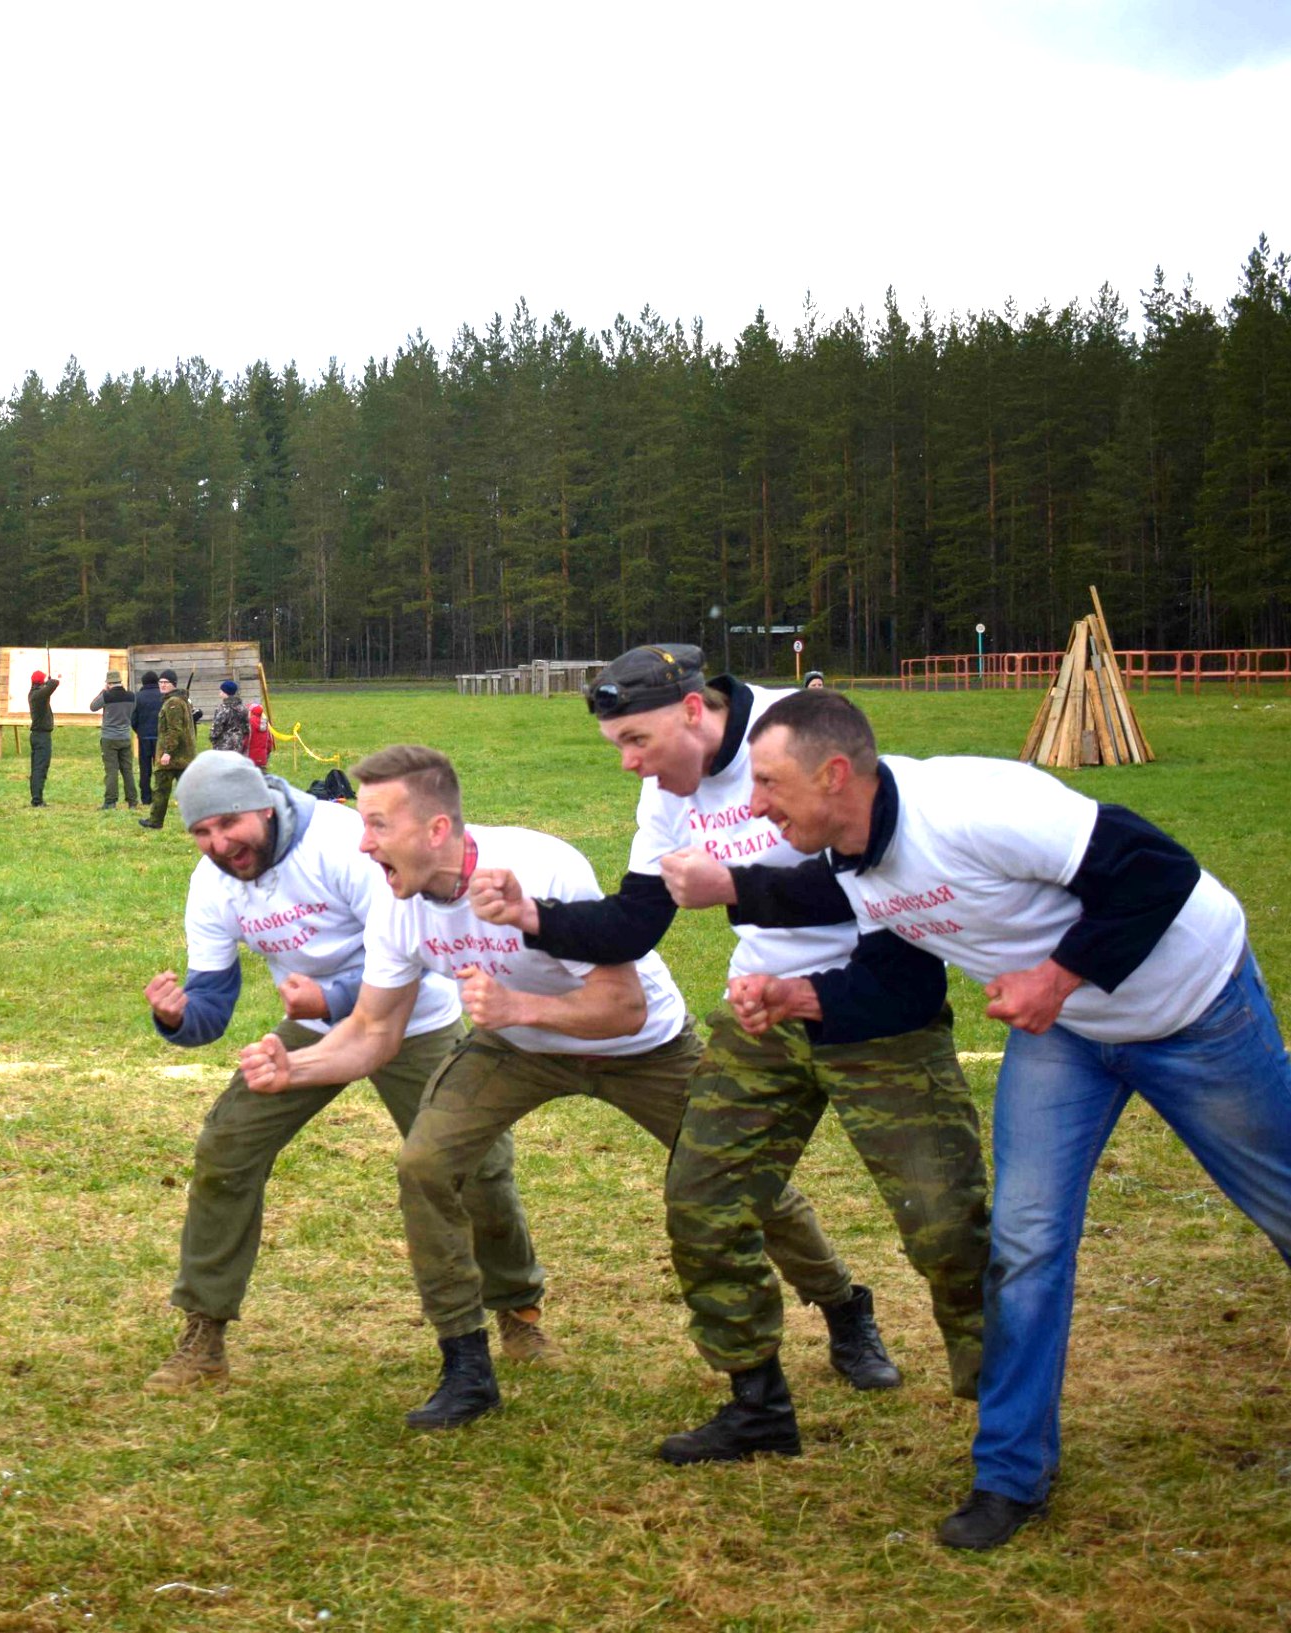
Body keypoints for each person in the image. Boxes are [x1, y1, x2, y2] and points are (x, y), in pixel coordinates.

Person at [672, 688, 1288, 1551]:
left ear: (834, 773)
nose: (751, 805)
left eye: (768, 783)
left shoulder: (973, 807)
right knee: (1026, 1243)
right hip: (1069, 1037)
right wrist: (795, 991)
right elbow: (892, 976)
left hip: (1191, 1007)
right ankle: (1010, 1473)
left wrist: (1054, 978)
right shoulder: (852, 855)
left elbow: (1157, 870)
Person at [238, 746, 861, 1432]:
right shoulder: (398, 901)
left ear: (437, 829)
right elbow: (372, 1031)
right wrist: (292, 1068)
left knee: (740, 1179)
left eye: (379, 824)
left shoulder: (539, 866)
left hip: (636, 1045)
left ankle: (842, 1306)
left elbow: (621, 1005)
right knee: (425, 1164)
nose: (363, 842)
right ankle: (465, 1364)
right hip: (516, 1049)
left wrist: (516, 1010)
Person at [474, 641, 986, 1468]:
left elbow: (879, 870)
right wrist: (531, 913)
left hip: (878, 1001)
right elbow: (635, 923)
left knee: (942, 1220)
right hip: (759, 1014)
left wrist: (739, 889)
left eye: (637, 742)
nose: (630, 765)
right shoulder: (662, 794)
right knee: (701, 1198)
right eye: (617, 749)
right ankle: (756, 1403)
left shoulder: (795, 736)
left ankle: (1001, 1418)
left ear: (691, 709)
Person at [140, 751, 544, 1394]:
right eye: (202, 832)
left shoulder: (343, 845)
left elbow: (404, 959)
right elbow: (211, 1006)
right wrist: (179, 1015)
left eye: (229, 825)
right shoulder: (211, 884)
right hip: (319, 1027)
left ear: (265, 807)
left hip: (413, 1018)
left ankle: (518, 1308)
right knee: (228, 1147)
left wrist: (329, 999)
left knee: (477, 1167)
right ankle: (204, 1333)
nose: (219, 844)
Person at [139, 671, 196, 830]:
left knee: (161, 790)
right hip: (184, 756)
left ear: (174, 684)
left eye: (166, 682)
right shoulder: (181, 701)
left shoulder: (173, 703)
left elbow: (174, 730)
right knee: (186, 792)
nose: (163, 685)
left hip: (173, 757)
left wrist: (167, 752)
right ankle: (197, 821)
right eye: (161, 682)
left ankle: (155, 821)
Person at [90, 671, 138, 809]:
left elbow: (93, 707)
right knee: (127, 770)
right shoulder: (131, 696)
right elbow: (133, 710)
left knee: (111, 771)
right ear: (120, 681)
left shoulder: (106, 696)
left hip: (109, 738)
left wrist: (102, 691)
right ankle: (132, 801)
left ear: (109, 683)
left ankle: (111, 801)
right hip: (125, 736)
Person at [25, 669, 60, 808]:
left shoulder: (35, 693)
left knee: (36, 767)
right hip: (42, 736)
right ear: (41, 682)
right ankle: (37, 799)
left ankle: (36, 797)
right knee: (40, 767)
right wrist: (49, 681)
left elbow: (49, 687)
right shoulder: (38, 695)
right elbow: (54, 683)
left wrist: (45, 682)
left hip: (37, 735)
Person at [132, 669, 164, 805]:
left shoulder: (137, 697)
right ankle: (160, 796)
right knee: (160, 769)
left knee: (145, 769)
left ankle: (146, 798)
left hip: (144, 737)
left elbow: (133, 719)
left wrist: (139, 731)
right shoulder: (164, 696)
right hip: (160, 737)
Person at [209, 679, 247, 755]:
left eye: (221, 691)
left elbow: (217, 728)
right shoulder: (243, 708)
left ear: (225, 692)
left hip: (223, 745)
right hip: (238, 744)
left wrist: (213, 738)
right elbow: (246, 727)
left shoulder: (222, 709)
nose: (219, 692)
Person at [244, 704, 272, 771]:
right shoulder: (265, 724)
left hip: (250, 758)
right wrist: (267, 754)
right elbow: (269, 743)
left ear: (251, 712)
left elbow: (245, 740)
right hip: (262, 757)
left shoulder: (249, 723)